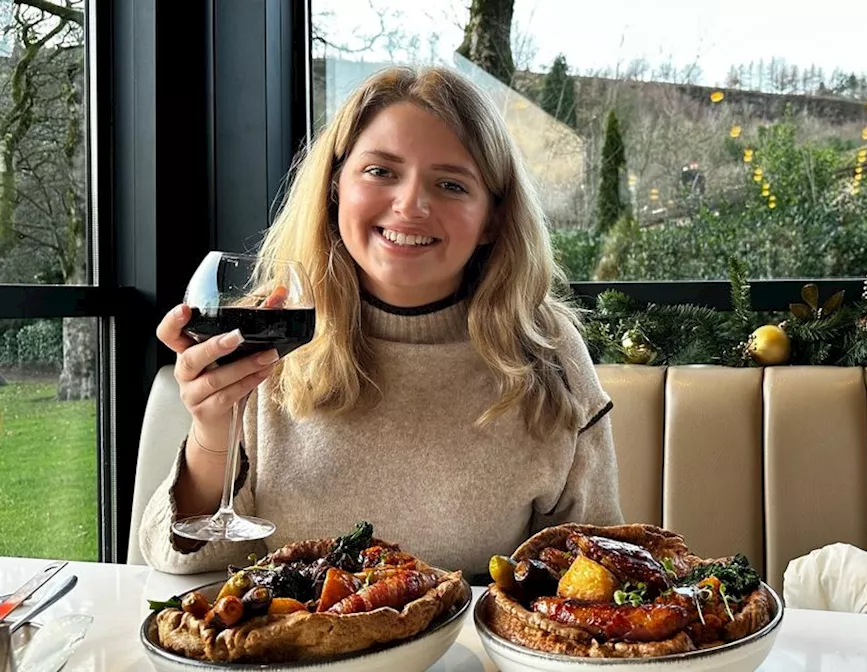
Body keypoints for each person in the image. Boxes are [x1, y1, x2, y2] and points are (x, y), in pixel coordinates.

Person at [140, 66, 623, 579]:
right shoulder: (267, 328)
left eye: (451, 184)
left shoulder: (546, 352)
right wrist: (213, 432)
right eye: (380, 171)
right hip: (294, 653)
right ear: (334, 188)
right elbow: (177, 562)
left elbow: (591, 575)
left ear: (493, 220)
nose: (411, 204)